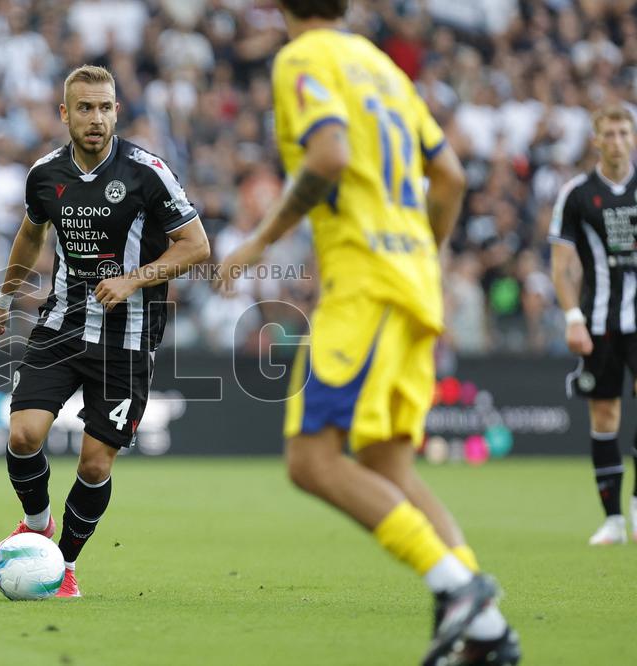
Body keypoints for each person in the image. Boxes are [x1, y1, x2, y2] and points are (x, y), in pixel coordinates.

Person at [216, 2, 520, 664]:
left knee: (312, 460)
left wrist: (259, 240)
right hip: (414, 283)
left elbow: (328, 153)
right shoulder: (384, 69)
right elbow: (451, 177)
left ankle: (457, 585)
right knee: (386, 464)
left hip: (365, 283)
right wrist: (421, 254)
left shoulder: (303, 59)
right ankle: (487, 629)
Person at [0, 65, 210, 597]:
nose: (96, 118)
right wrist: (4, 298)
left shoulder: (147, 171)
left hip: (127, 339)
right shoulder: (44, 175)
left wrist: (133, 279)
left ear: (116, 112)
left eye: (105, 107)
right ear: (65, 114)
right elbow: (29, 235)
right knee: (22, 434)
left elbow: (196, 246)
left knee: (94, 462)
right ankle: (37, 527)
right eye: (85, 108)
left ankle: (63, 566)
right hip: (61, 324)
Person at [549, 106, 637, 546]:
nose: (618, 140)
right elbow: (563, 265)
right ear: (597, 140)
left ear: (633, 137)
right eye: (611, 133)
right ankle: (614, 520)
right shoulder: (577, 193)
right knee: (605, 415)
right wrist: (571, 317)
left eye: (625, 132)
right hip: (600, 320)